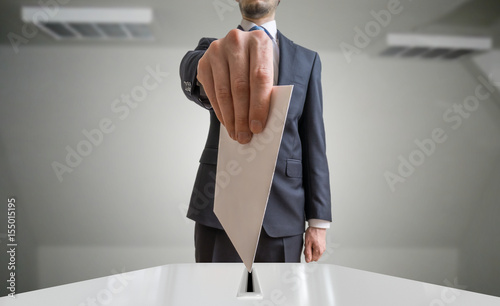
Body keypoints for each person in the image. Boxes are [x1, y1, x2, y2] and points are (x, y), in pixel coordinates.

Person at [179, 0, 331, 263]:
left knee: (279, 300)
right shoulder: (212, 50)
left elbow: (314, 143)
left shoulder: (307, 60)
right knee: (213, 298)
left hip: (284, 211)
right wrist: (207, 64)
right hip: (219, 208)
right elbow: (193, 69)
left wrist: (318, 222)